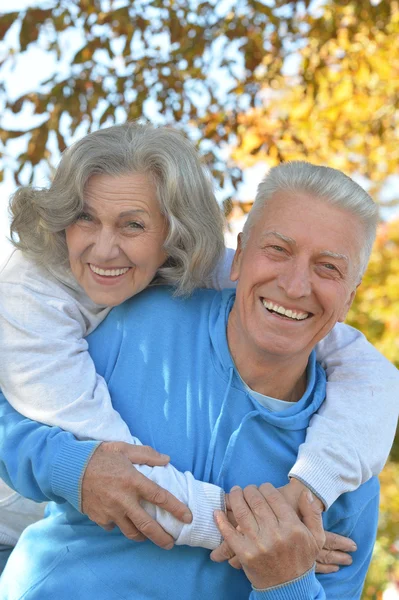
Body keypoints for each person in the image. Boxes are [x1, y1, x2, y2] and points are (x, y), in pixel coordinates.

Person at [0, 162, 398, 598]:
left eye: (327, 268)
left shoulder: (347, 471)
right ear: (239, 255)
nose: (295, 284)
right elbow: (15, 415)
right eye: (278, 250)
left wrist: (288, 582)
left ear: (350, 297)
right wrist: (72, 467)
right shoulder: (135, 322)